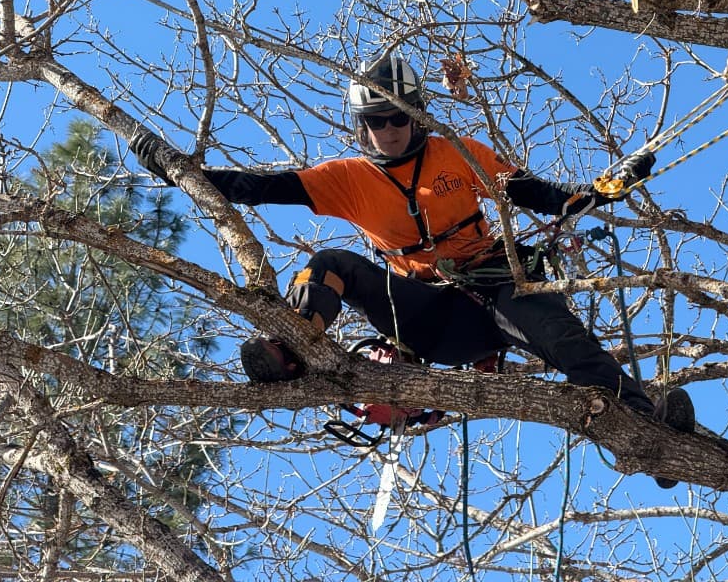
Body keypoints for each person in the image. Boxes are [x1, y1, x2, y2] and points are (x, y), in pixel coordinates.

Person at [131, 53, 694, 487]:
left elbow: (545, 198)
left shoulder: (459, 153)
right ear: (361, 125)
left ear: (417, 112)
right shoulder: (345, 178)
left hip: (493, 290)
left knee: (558, 334)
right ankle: (295, 347)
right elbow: (255, 187)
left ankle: (647, 432)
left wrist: (605, 188)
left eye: (398, 117)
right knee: (331, 264)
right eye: (375, 121)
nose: (388, 130)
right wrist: (174, 168)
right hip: (421, 309)